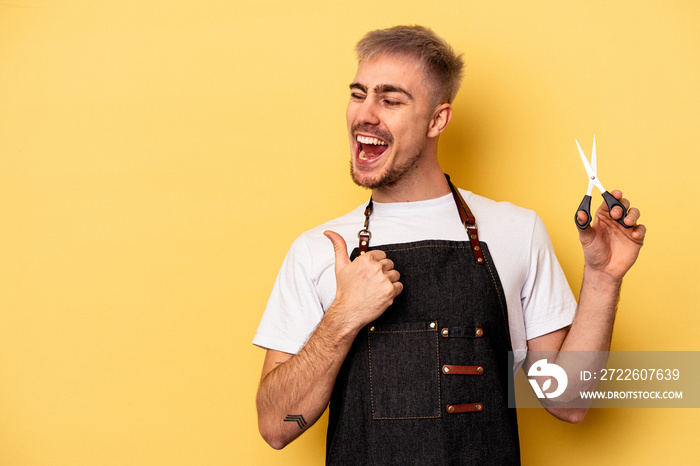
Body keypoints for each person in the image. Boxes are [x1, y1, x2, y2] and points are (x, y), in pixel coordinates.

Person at [253, 25, 645, 465]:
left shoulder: (516, 230)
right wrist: (343, 317)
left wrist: (603, 278)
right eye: (358, 94)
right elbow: (276, 426)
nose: (365, 113)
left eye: (390, 99)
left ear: (438, 119)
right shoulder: (318, 249)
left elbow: (568, 401)